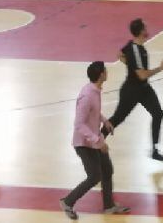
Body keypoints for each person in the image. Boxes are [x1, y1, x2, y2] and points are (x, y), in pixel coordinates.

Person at [59, 61, 131, 219]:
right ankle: (68, 202)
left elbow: (94, 112)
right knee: (94, 176)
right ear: (101, 75)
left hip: (94, 139)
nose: (107, 72)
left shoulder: (95, 90)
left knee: (107, 170)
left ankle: (109, 206)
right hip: (84, 144)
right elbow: (79, 124)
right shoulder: (88, 95)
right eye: (105, 70)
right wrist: (98, 141)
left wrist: (105, 121)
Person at [106, 18, 163, 161]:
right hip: (132, 90)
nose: (147, 29)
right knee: (118, 118)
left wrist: (130, 65)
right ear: (141, 31)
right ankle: (96, 142)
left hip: (144, 89)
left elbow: (119, 54)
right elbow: (141, 75)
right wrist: (161, 68)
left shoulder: (133, 45)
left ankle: (154, 150)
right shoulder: (135, 49)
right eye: (145, 27)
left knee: (158, 113)